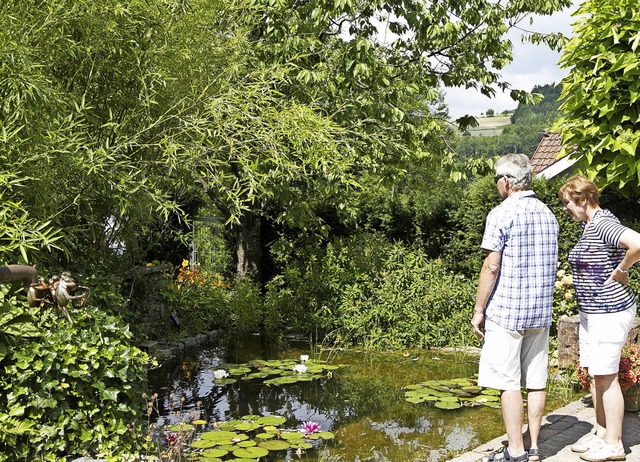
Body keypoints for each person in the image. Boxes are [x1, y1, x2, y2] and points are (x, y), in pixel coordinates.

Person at [471, 154, 559, 462]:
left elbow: (491, 267)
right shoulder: (548, 213)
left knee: (508, 383)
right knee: (536, 381)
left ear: (507, 181)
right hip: (540, 312)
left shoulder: (501, 213)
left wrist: (479, 309)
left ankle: (516, 451)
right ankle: (534, 448)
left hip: (507, 313)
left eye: (497, 179)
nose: (496, 184)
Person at [559, 175, 640, 462]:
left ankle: (615, 443)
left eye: (568, 203)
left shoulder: (603, 223)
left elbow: (637, 243)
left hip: (609, 312)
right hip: (593, 313)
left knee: (607, 376)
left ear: (582, 199)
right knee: (596, 375)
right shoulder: (589, 225)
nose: (565, 209)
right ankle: (601, 432)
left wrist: (622, 270)